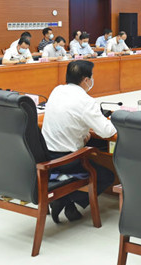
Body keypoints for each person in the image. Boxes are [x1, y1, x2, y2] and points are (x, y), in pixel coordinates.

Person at [41, 60, 116, 223]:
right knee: (107, 177)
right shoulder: (86, 101)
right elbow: (107, 131)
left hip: (45, 155)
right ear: (86, 80)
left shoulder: (57, 90)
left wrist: (82, 133)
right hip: (67, 160)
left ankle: (66, 201)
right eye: (92, 77)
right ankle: (66, 199)